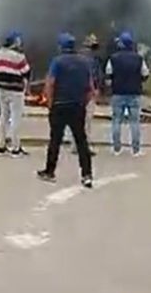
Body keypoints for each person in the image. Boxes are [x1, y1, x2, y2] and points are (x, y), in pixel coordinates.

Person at [37, 33, 95, 188]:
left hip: (60, 105)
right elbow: (90, 87)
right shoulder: (84, 62)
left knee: (55, 140)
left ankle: (50, 171)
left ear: (61, 46)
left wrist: (50, 103)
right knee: (81, 141)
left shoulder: (57, 62)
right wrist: (84, 102)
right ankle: (87, 174)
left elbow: (50, 83)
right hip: (78, 106)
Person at [105, 31, 150, 156]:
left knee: (116, 121)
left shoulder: (113, 59)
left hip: (118, 93)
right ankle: (136, 150)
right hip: (134, 93)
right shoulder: (139, 58)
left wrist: (112, 86)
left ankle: (116, 148)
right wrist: (138, 82)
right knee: (134, 122)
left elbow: (108, 77)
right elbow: (145, 74)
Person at [0, 31, 31, 157]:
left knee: (3, 117)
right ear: (15, 42)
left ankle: (1, 147)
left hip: (2, 89)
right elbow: (26, 72)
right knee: (15, 119)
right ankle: (15, 148)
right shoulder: (19, 56)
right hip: (16, 91)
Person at [71, 34, 102, 156]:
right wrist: (97, 89)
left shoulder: (76, 57)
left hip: (75, 91)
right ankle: (84, 146)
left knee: (76, 119)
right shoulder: (94, 59)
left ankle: (74, 145)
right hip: (88, 92)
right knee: (87, 120)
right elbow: (96, 76)